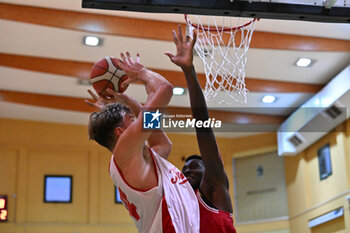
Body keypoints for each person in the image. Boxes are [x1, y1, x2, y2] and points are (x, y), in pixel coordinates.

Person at [86, 52, 199, 233]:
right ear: (120, 132)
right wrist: (140, 72)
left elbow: (163, 144)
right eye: (131, 117)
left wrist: (129, 102)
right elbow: (165, 89)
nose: (137, 118)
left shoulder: (136, 162)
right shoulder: (124, 152)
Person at [165, 26, 237, 233]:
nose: (186, 169)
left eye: (194, 166)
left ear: (210, 170)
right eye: (185, 168)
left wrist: (188, 71)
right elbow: (154, 144)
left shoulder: (214, 188)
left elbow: (203, 127)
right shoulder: (182, 207)